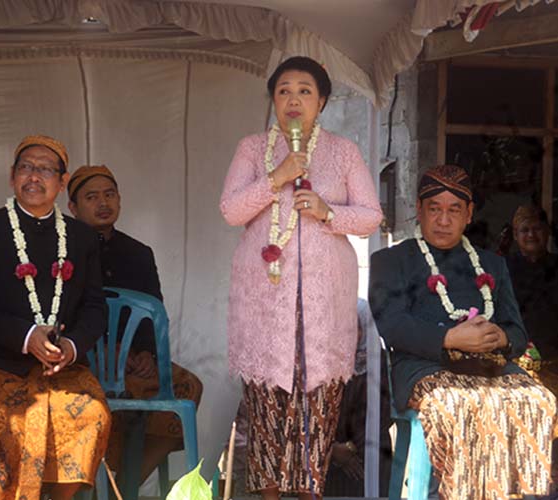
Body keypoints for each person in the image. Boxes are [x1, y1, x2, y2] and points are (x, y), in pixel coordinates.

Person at [220, 56, 382, 500]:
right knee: (268, 413)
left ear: (323, 100)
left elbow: (371, 217)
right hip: (265, 302)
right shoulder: (253, 149)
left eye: (305, 91)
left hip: (324, 306)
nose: (294, 99)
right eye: (284, 90)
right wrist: (277, 177)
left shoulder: (343, 152)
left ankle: (311, 493)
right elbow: (231, 210)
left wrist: (328, 212)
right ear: (273, 100)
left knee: (318, 411)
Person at [369, 164, 557, 499]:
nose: (443, 220)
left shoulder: (492, 263)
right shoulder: (391, 260)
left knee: (537, 398)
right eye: (434, 209)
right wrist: (449, 338)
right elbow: (391, 324)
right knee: (454, 403)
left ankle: (504, 493)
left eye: (454, 210)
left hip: (491, 367)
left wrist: (500, 337)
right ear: (419, 210)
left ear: (469, 214)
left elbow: (516, 329)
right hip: (422, 368)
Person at [0, 135, 111, 500]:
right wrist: (26, 337)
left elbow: (95, 306)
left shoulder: (81, 237)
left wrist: (70, 346)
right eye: (26, 167)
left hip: (65, 366)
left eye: (45, 169)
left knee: (92, 414)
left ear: (63, 180)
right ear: (11, 177)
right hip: (1, 363)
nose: (34, 176)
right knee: (18, 424)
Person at [67, 164, 203, 482]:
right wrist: (102, 349)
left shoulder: (139, 253)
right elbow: (61, 313)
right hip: (81, 363)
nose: (103, 203)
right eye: (92, 197)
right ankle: (94, 485)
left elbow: (154, 315)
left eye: (109, 194)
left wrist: (147, 354)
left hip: (133, 365)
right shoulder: (63, 250)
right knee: (110, 400)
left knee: (187, 387)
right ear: (73, 207)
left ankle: (124, 484)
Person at [324, 298, 392, 498]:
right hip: (330, 456)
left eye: (355, 328)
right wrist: (333, 449)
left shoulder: (380, 363)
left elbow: (383, 414)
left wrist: (350, 448)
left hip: (369, 454)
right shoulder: (325, 362)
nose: (349, 336)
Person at [507, 205, 558, 394]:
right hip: (516, 367)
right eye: (524, 230)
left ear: (547, 231)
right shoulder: (504, 269)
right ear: (515, 235)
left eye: (536, 229)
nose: (531, 235)